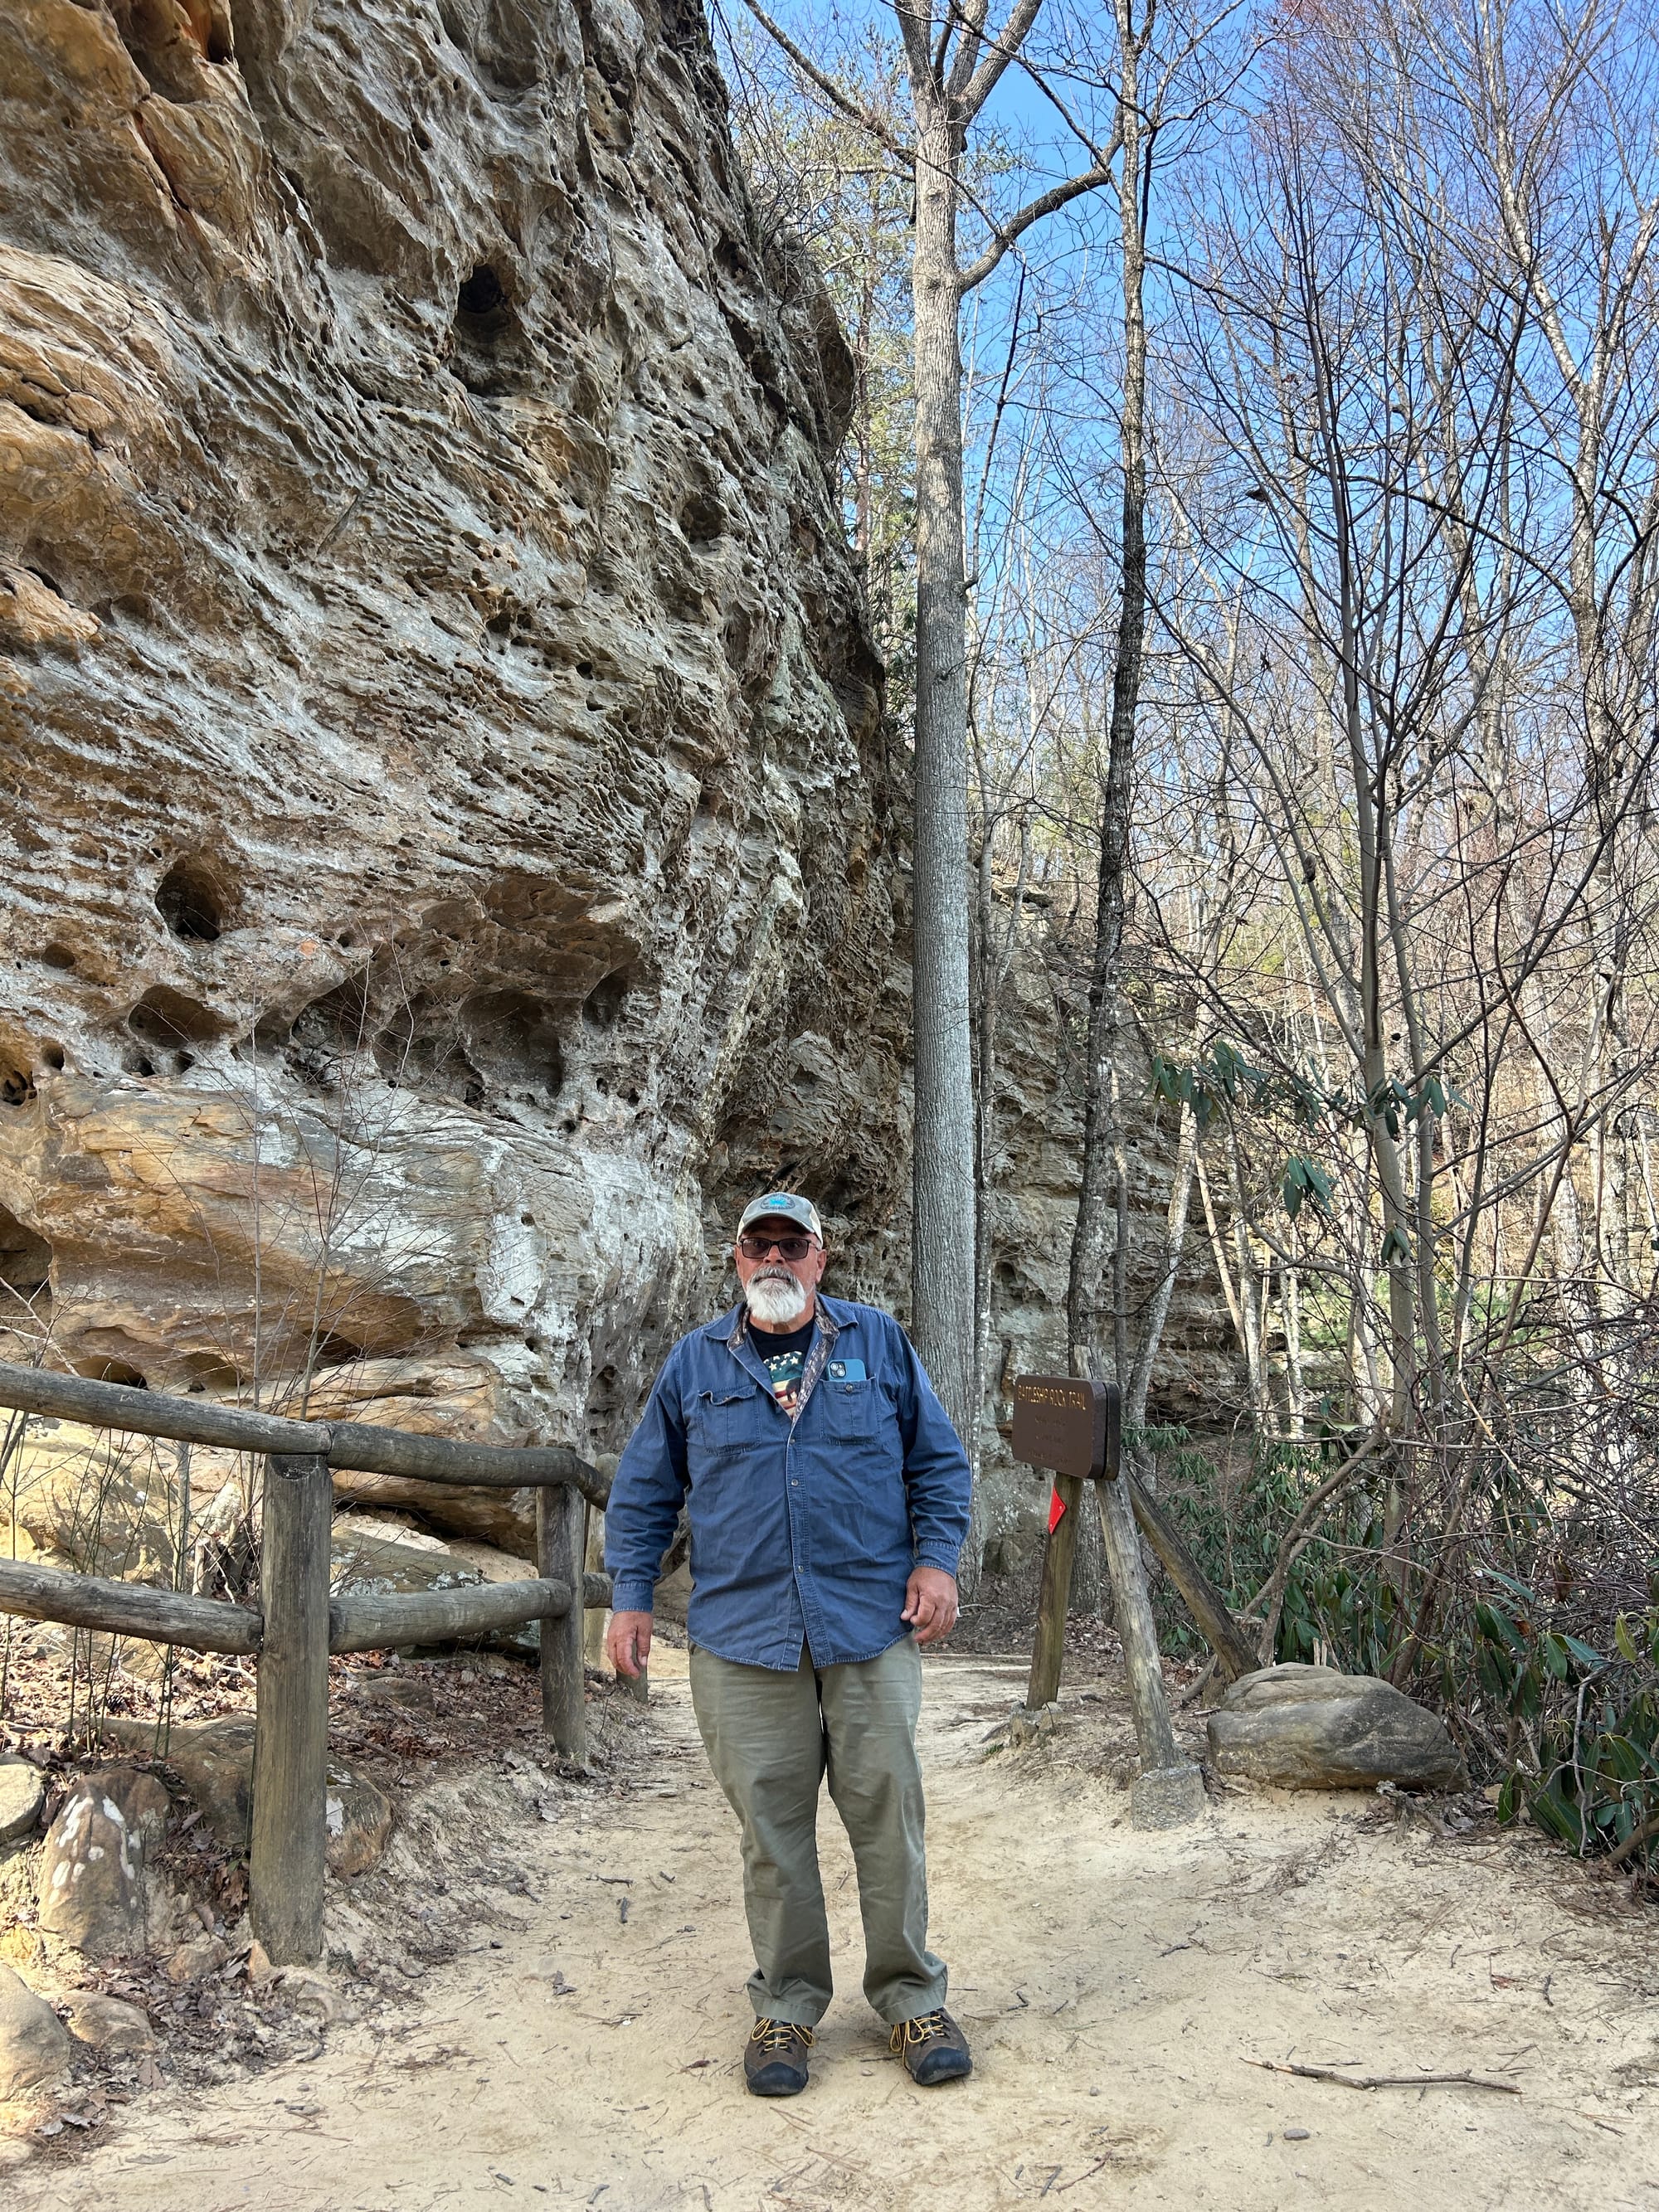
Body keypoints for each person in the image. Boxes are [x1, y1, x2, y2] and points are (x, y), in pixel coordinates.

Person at [604, 1191, 974, 2097]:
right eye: (757, 1243)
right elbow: (645, 1488)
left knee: (889, 1819)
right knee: (771, 1833)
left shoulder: (878, 1343)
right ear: (736, 1258)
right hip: (743, 1638)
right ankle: (786, 2005)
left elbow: (937, 1463)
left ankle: (910, 1996)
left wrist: (936, 1562)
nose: (775, 1257)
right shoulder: (696, 1361)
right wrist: (630, 1596)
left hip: (868, 1627)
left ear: (820, 1255)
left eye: (791, 1243)